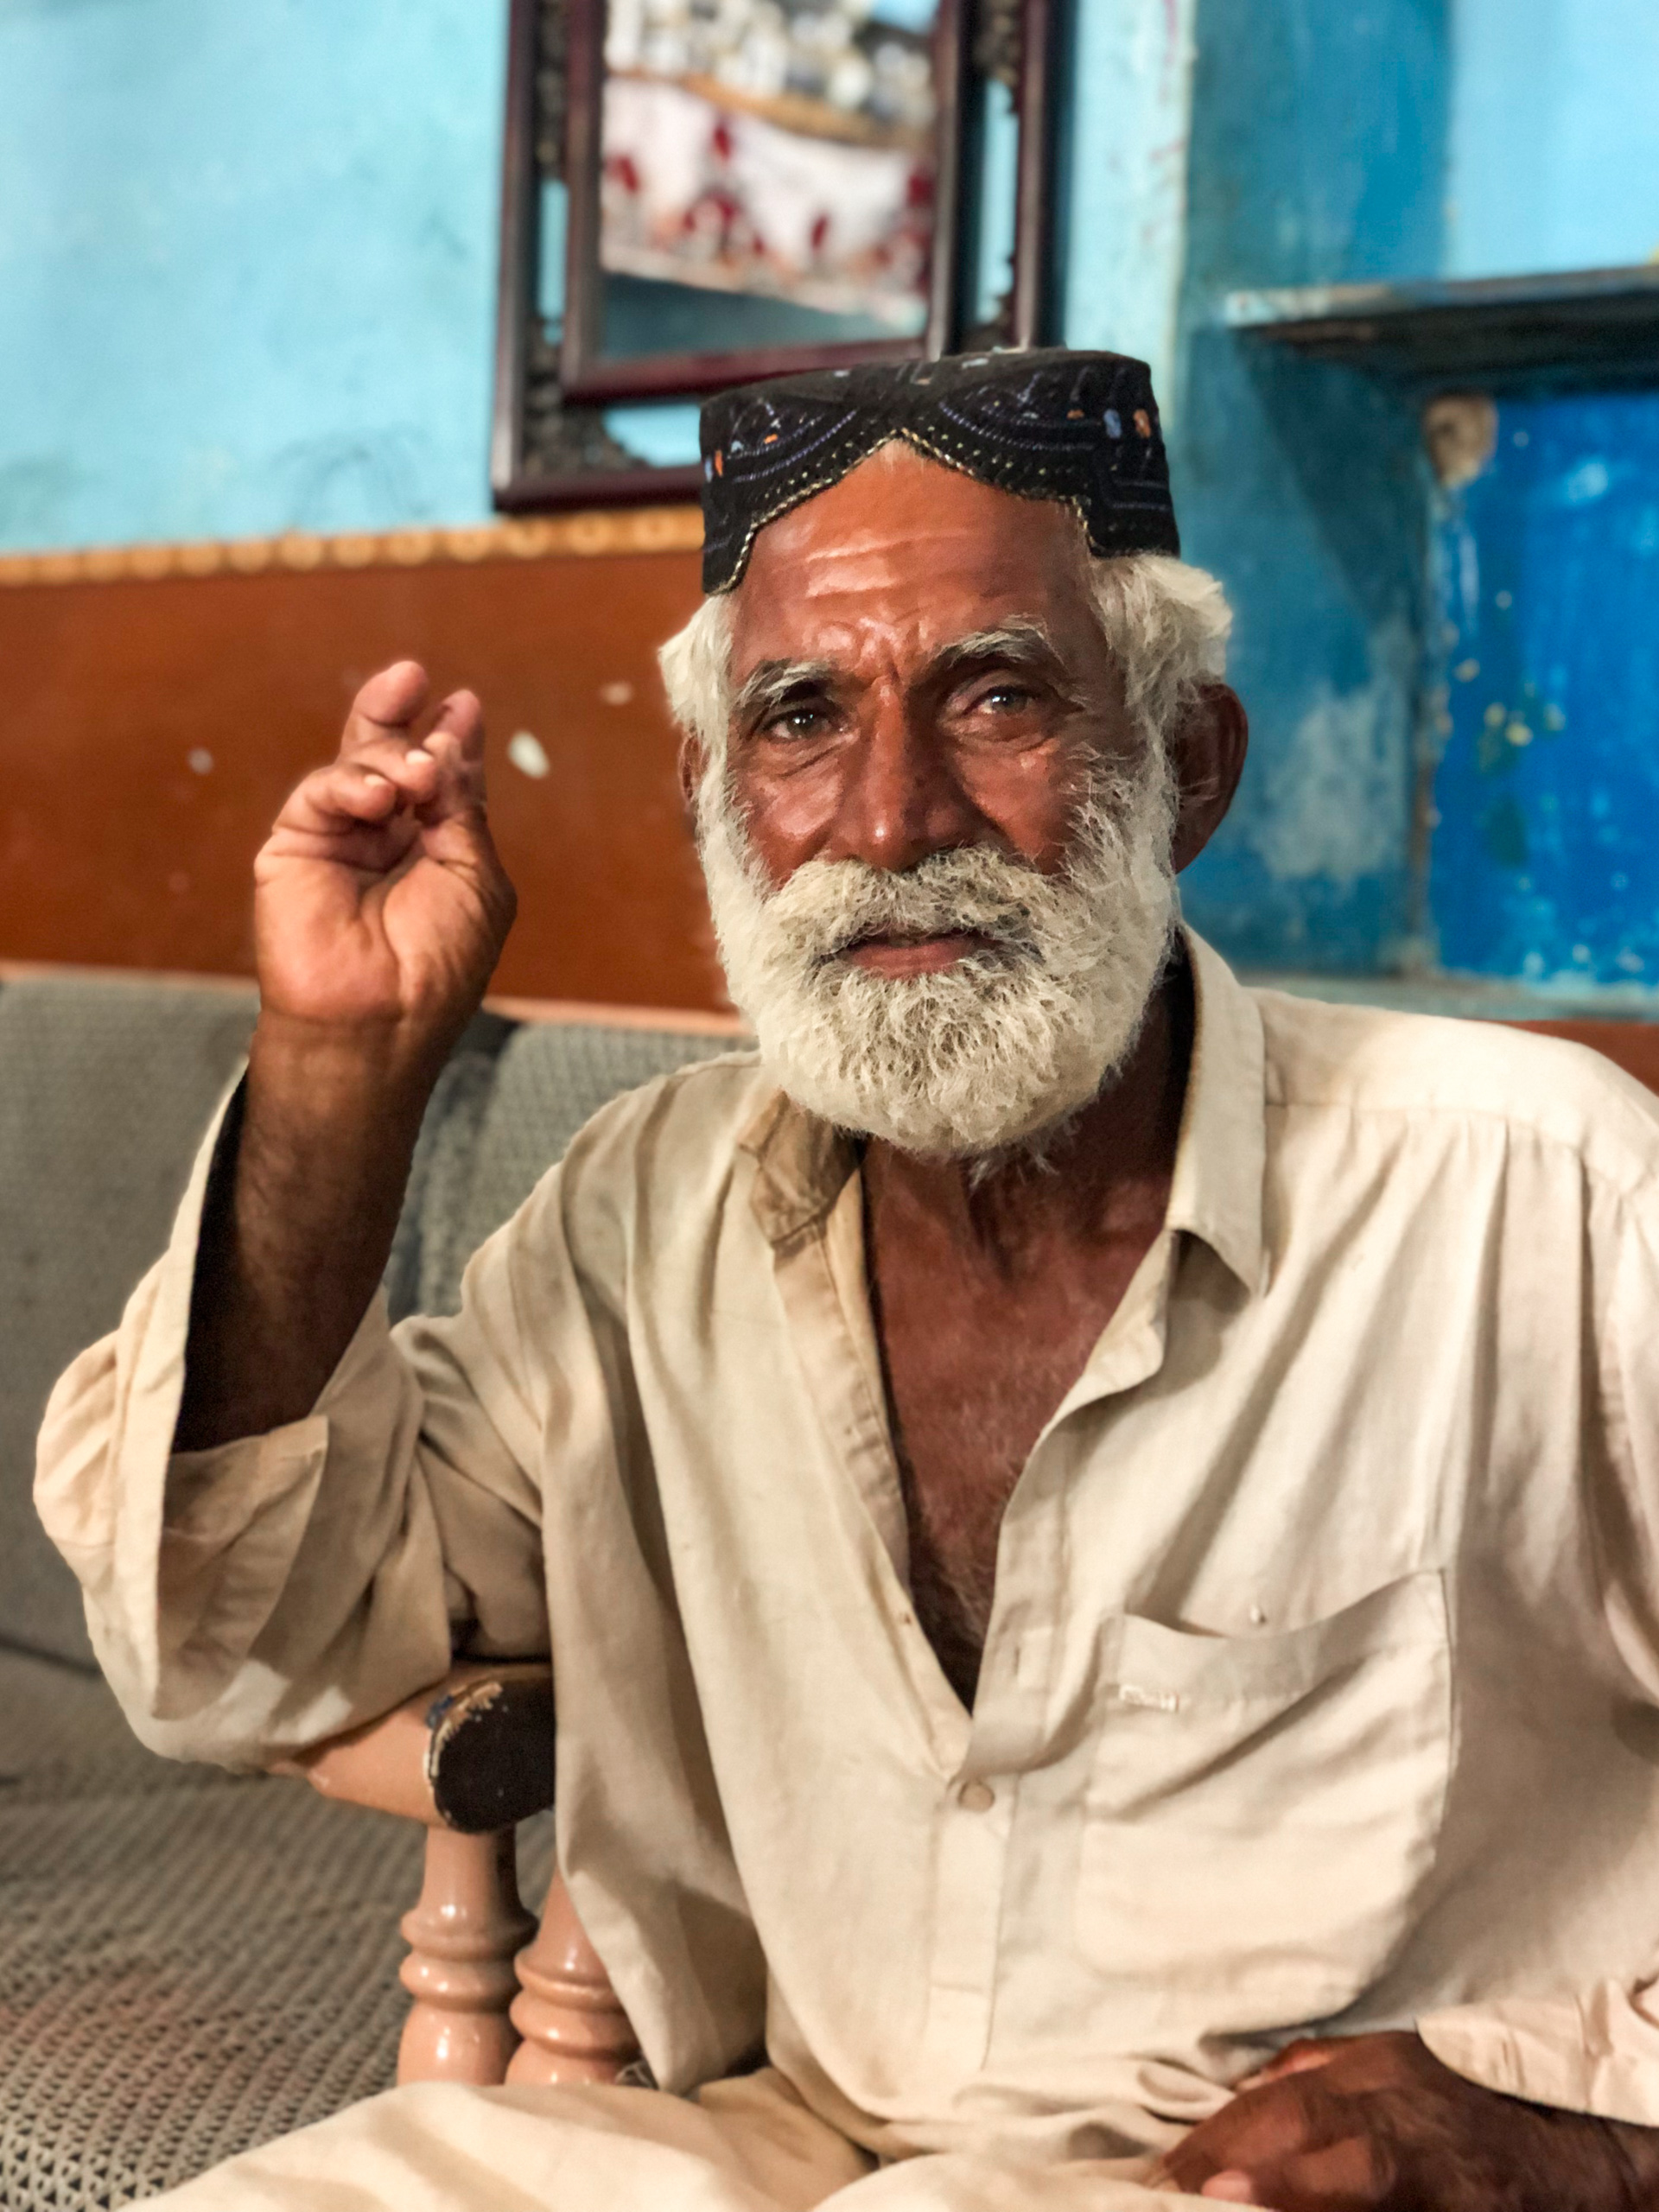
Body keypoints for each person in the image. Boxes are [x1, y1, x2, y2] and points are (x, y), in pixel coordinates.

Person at [34, 350, 1659, 2212]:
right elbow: (231, 1650)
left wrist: (1580, 2140)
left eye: (995, 696)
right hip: (768, 2147)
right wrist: (342, 1069)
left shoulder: (1536, 1194)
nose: (892, 821)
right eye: (800, 717)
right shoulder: (647, 1220)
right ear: (723, 794)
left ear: (1187, 763)